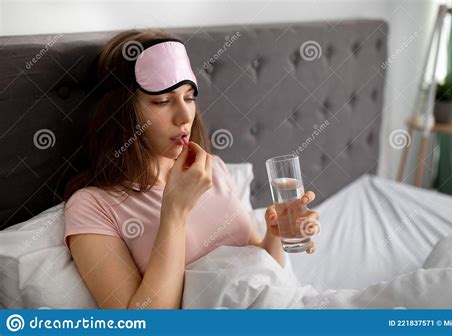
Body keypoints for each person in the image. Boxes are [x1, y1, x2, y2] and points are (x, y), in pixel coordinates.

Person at [63, 29, 321, 309]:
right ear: (123, 112)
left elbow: (257, 276)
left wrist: (276, 233)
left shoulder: (214, 169)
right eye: (162, 101)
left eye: (189, 98)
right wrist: (174, 211)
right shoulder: (92, 206)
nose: (185, 116)